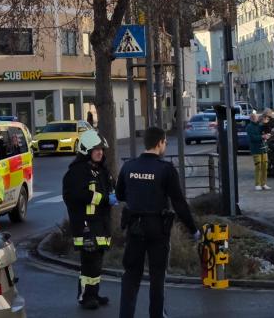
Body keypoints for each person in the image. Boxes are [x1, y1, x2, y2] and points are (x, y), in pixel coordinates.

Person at [116, 127, 201, 318]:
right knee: (157, 276)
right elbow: (179, 203)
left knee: (131, 275)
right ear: (160, 143)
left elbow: (120, 194)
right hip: (157, 229)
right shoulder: (166, 169)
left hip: (134, 228)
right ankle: (156, 315)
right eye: (165, 143)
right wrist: (193, 230)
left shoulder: (129, 166)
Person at [62, 130, 115, 310]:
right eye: (96, 149)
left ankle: (93, 293)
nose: (100, 152)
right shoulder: (77, 172)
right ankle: (85, 296)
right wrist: (105, 198)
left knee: (97, 262)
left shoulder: (101, 170)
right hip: (85, 225)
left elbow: (110, 188)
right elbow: (77, 195)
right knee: (89, 262)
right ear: (86, 150)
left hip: (100, 223)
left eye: (101, 149)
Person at [248, 113, 270, 191]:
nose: (255, 119)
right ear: (251, 119)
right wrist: (262, 136)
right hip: (256, 149)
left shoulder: (260, 125)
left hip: (264, 149)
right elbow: (252, 138)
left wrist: (267, 135)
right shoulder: (249, 127)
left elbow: (265, 131)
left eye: (256, 117)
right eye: (254, 117)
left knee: (265, 166)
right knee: (258, 166)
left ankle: (264, 183)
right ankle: (257, 184)